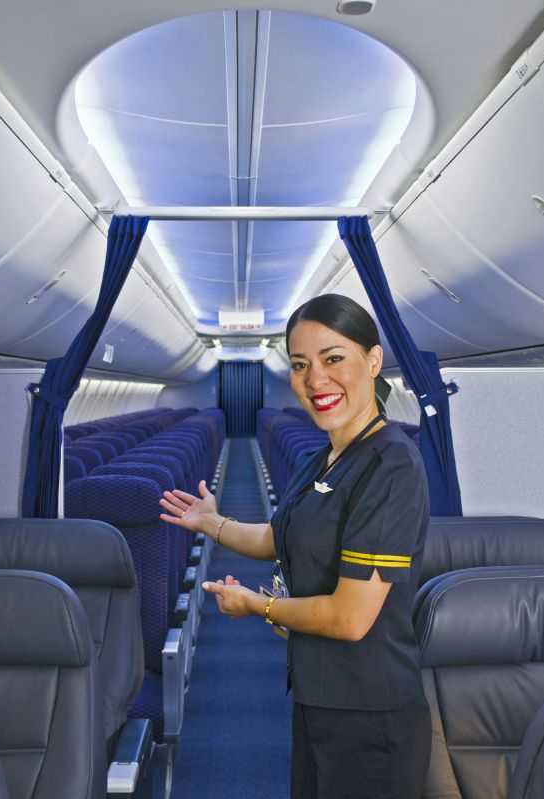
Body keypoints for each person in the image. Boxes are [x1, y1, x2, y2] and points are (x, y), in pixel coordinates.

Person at [159, 293, 432, 799]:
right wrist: (212, 523)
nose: (315, 380)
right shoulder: (320, 459)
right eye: (301, 364)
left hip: (370, 714)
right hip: (319, 697)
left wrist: (259, 606)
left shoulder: (390, 465)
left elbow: (351, 618)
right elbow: (277, 538)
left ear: (373, 361)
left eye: (333, 359)